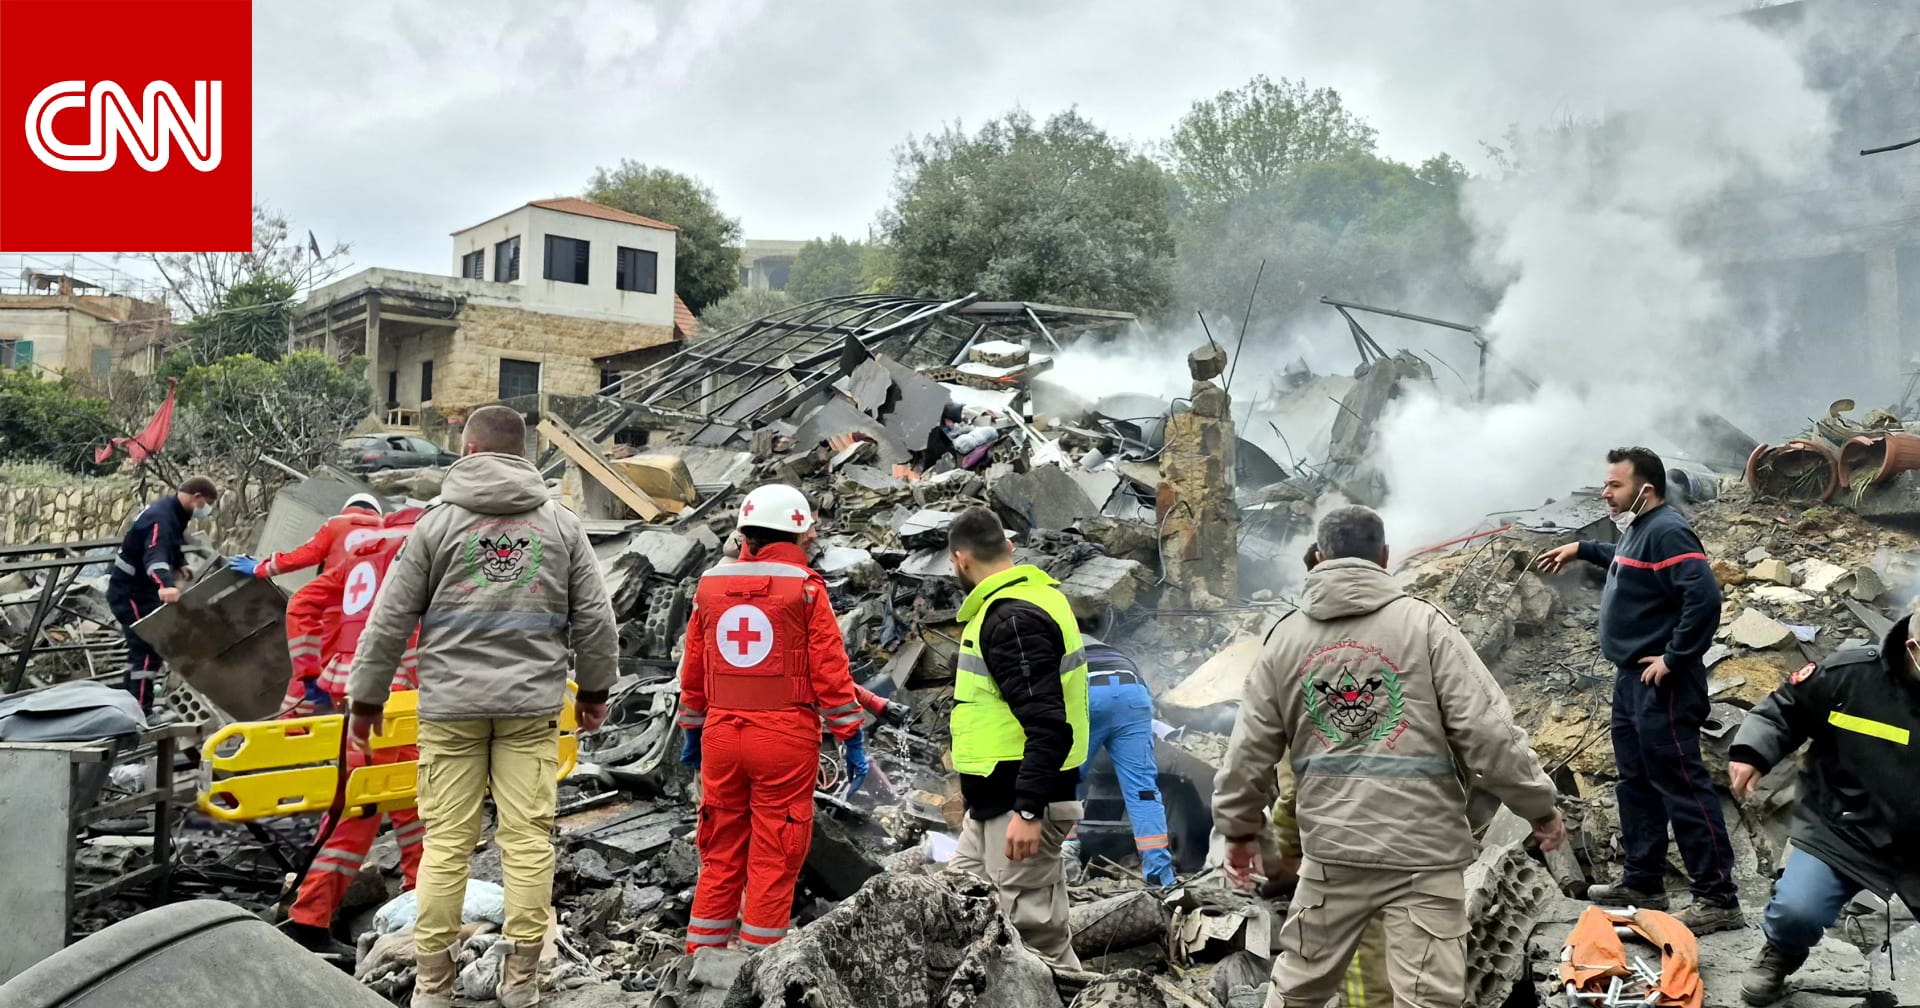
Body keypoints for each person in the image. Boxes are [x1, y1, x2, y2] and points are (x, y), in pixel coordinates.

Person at [1214, 505, 1566, 1008]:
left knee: (1297, 991)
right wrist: (1540, 808)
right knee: (1427, 999)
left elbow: (1248, 752)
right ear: (1384, 556)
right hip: (1424, 853)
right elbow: (1489, 733)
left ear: (1317, 557)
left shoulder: (1284, 640)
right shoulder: (1424, 626)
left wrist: (1240, 831)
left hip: (1333, 852)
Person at [346, 405, 618, 1008]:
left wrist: (365, 702)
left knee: (446, 844)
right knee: (526, 841)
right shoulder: (561, 525)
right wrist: (595, 694)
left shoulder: (433, 526)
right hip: (530, 710)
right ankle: (521, 982)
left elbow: (388, 622)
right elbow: (597, 623)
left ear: (467, 451)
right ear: (524, 456)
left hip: (450, 712)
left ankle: (433, 989)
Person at [1535, 446, 1742, 933]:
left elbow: (1704, 596)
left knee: (1681, 784)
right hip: (1632, 681)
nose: (1605, 493)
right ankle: (1644, 881)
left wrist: (1674, 657)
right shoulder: (1641, 530)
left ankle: (1719, 898)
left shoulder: (1669, 528)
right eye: (1606, 484)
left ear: (1645, 489)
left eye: (1615, 486)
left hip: (1662, 686)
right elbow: (1630, 562)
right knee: (1637, 780)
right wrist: (1584, 549)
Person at [675, 484, 868, 955]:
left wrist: (692, 731)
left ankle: (700, 963)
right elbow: (829, 670)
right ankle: (758, 966)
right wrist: (850, 735)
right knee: (774, 856)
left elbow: (694, 669)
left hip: (722, 737)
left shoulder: (710, 585)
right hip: (783, 740)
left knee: (719, 852)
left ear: (745, 532)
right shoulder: (803, 589)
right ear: (799, 532)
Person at [1725, 599, 1920, 1004]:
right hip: (1844, 828)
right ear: (1914, 648)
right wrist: (1751, 752)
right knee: (1797, 912)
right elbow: (1784, 709)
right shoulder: (1851, 674)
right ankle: (1780, 953)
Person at [944, 505, 1089, 971]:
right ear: (1008, 548)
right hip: (993, 807)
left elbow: (1048, 723)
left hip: (1021, 807)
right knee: (957, 907)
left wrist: (1028, 810)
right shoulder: (1024, 602)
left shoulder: (1011, 621)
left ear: (960, 559)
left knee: (1034, 942)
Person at [281, 507, 427, 957]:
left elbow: (302, 602)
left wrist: (310, 671)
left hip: (358, 702)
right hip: (399, 705)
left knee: (379, 811)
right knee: (405, 809)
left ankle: (316, 917)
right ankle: (313, 920)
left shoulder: (364, 557)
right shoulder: (418, 556)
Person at [106, 475, 220, 713]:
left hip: (138, 590)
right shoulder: (161, 517)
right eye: (206, 504)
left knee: (145, 650)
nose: (206, 510)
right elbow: (155, 555)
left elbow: (170, 544)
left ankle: (131, 706)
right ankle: (140, 712)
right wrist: (165, 584)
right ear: (197, 497)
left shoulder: (173, 513)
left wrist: (179, 563)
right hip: (131, 593)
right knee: (146, 647)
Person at [1078, 636, 1176, 888]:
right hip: (1133, 693)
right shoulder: (1101, 645)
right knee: (1143, 791)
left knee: (1065, 781)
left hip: (1088, 692)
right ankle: (1160, 874)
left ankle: (1064, 862)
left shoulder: (1045, 638)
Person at [231, 492, 384, 581]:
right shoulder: (391, 532)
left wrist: (260, 569)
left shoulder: (336, 524)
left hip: (337, 600)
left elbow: (302, 557)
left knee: (299, 609)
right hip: (376, 610)